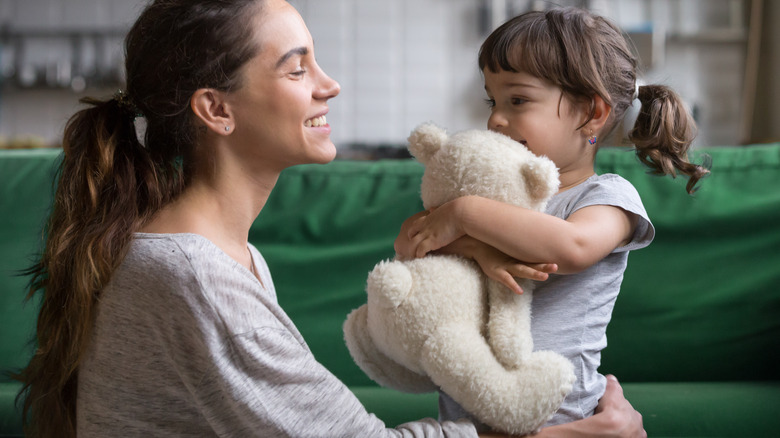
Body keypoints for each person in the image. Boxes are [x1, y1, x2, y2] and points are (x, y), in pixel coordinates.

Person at [15, 1, 646, 437]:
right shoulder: (191, 272)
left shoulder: (221, 256)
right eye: (297, 67)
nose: (331, 84)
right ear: (216, 109)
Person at [395, 6, 709, 434]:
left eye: (517, 100)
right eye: (493, 100)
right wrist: (474, 245)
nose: (494, 119)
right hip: (465, 421)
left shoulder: (607, 197)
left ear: (592, 114)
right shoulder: (487, 195)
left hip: (564, 415)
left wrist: (465, 216)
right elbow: (411, 243)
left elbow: (572, 248)